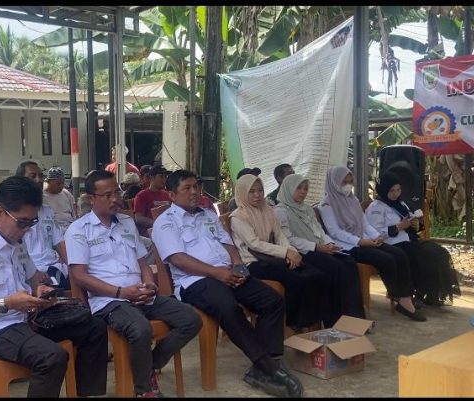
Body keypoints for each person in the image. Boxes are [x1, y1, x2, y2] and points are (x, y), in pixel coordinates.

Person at [0, 176, 108, 398]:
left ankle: (85, 393)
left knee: (94, 327)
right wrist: (7, 303)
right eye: (22, 222)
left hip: (24, 318)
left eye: (32, 222)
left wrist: (41, 292)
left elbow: (34, 279)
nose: (27, 229)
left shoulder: (17, 240)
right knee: (52, 357)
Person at [152, 170, 303, 398]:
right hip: (196, 281)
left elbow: (228, 243)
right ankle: (268, 366)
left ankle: (265, 363)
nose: (194, 192)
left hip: (228, 272)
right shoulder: (165, 222)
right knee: (229, 308)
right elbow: (178, 259)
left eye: (196, 187)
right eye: (187, 188)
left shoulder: (208, 215)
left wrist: (238, 264)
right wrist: (217, 273)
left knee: (272, 301)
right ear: (172, 195)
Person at [66, 170, 201, 398]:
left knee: (191, 319)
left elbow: (143, 262)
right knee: (141, 329)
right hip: (110, 301)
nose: (115, 199)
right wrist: (122, 292)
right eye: (107, 195)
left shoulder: (126, 222)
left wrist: (150, 285)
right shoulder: (78, 230)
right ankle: (144, 390)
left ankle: (149, 365)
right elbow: (79, 276)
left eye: (116, 192)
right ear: (92, 199)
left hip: (141, 293)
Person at [318, 166, 425, 322]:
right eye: (343, 182)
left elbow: (365, 224)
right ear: (333, 183)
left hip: (364, 239)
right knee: (386, 259)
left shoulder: (353, 200)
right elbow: (335, 232)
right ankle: (400, 296)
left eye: (350, 181)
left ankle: (405, 299)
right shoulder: (326, 205)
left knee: (399, 254)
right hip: (348, 246)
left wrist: (376, 236)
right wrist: (360, 241)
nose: (348, 185)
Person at [230, 174, 330, 330]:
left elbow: (279, 235)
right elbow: (255, 244)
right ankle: (295, 324)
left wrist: (292, 252)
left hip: (273, 257)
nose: (257, 195)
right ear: (242, 192)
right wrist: (285, 253)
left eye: (260, 190)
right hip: (254, 263)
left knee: (315, 274)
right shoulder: (238, 217)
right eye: (252, 191)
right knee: (296, 279)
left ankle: (314, 322)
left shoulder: (267, 210)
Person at [274, 174, 365, 323]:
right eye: (299, 188)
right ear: (288, 188)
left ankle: (354, 316)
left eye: (305, 189)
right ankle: (335, 319)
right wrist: (316, 247)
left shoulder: (306, 208)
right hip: (303, 252)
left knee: (349, 263)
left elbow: (319, 230)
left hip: (320, 248)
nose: (303, 192)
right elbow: (288, 239)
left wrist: (329, 244)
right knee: (335, 268)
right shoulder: (280, 211)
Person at [365, 173, 460, 306]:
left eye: (398, 190)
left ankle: (430, 295)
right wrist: (398, 227)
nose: (396, 194)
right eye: (392, 191)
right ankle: (410, 295)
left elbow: (414, 225)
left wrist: (416, 224)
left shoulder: (401, 203)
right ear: (383, 190)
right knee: (421, 255)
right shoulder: (376, 207)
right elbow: (374, 233)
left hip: (409, 241)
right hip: (391, 244)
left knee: (438, 252)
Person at [16, 161, 71, 289]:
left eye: (41, 176)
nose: (39, 180)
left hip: (53, 266)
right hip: (31, 271)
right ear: (20, 181)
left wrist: (72, 266)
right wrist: (33, 273)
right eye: (33, 176)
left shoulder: (47, 211)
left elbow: (59, 242)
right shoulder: (14, 214)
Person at [133, 165, 172, 236]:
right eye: (161, 177)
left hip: (168, 231)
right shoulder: (141, 195)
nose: (164, 179)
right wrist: (158, 224)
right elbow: (138, 218)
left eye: (165, 177)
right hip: (150, 234)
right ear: (152, 177)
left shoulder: (168, 195)